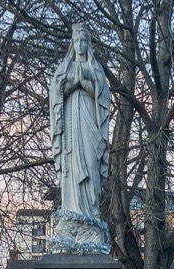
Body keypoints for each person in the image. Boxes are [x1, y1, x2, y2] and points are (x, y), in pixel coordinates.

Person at [49, 23, 111, 249]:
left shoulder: (95, 68)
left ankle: (90, 218)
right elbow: (56, 93)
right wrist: (74, 82)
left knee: (91, 168)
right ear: (73, 44)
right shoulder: (65, 67)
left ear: (89, 44)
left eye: (84, 41)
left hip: (89, 120)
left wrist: (84, 83)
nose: (81, 45)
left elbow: (102, 97)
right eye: (77, 42)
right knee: (72, 169)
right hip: (70, 121)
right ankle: (72, 218)